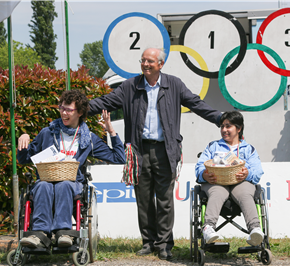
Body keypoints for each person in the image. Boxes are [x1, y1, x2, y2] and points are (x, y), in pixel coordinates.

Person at [87, 47, 222, 260]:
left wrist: (218, 117)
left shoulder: (174, 84)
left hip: (166, 149)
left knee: (165, 199)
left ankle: (164, 244)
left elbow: (195, 103)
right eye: (143, 60)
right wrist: (78, 107)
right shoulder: (129, 86)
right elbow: (104, 102)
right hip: (139, 150)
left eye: (150, 61)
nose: (145, 64)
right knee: (143, 199)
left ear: (161, 64)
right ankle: (148, 242)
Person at [17, 89, 126, 248]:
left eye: (69, 110)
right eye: (61, 108)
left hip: (73, 182)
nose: (63, 113)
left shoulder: (88, 138)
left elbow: (118, 158)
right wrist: (24, 140)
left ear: (80, 112)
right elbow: (24, 159)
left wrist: (111, 131)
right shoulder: (48, 132)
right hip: (47, 179)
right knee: (42, 185)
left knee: (65, 184)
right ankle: (38, 234)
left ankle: (64, 232)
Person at [195, 111, 265, 246]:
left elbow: (257, 171)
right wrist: (204, 175)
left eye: (228, 126)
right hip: (216, 182)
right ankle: (208, 228)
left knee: (245, 193)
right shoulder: (212, 146)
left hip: (241, 182)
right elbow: (199, 167)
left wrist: (247, 174)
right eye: (222, 126)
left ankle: (255, 229)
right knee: (218, 192)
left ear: (238, 129)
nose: (224, 130)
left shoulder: (249, 149)